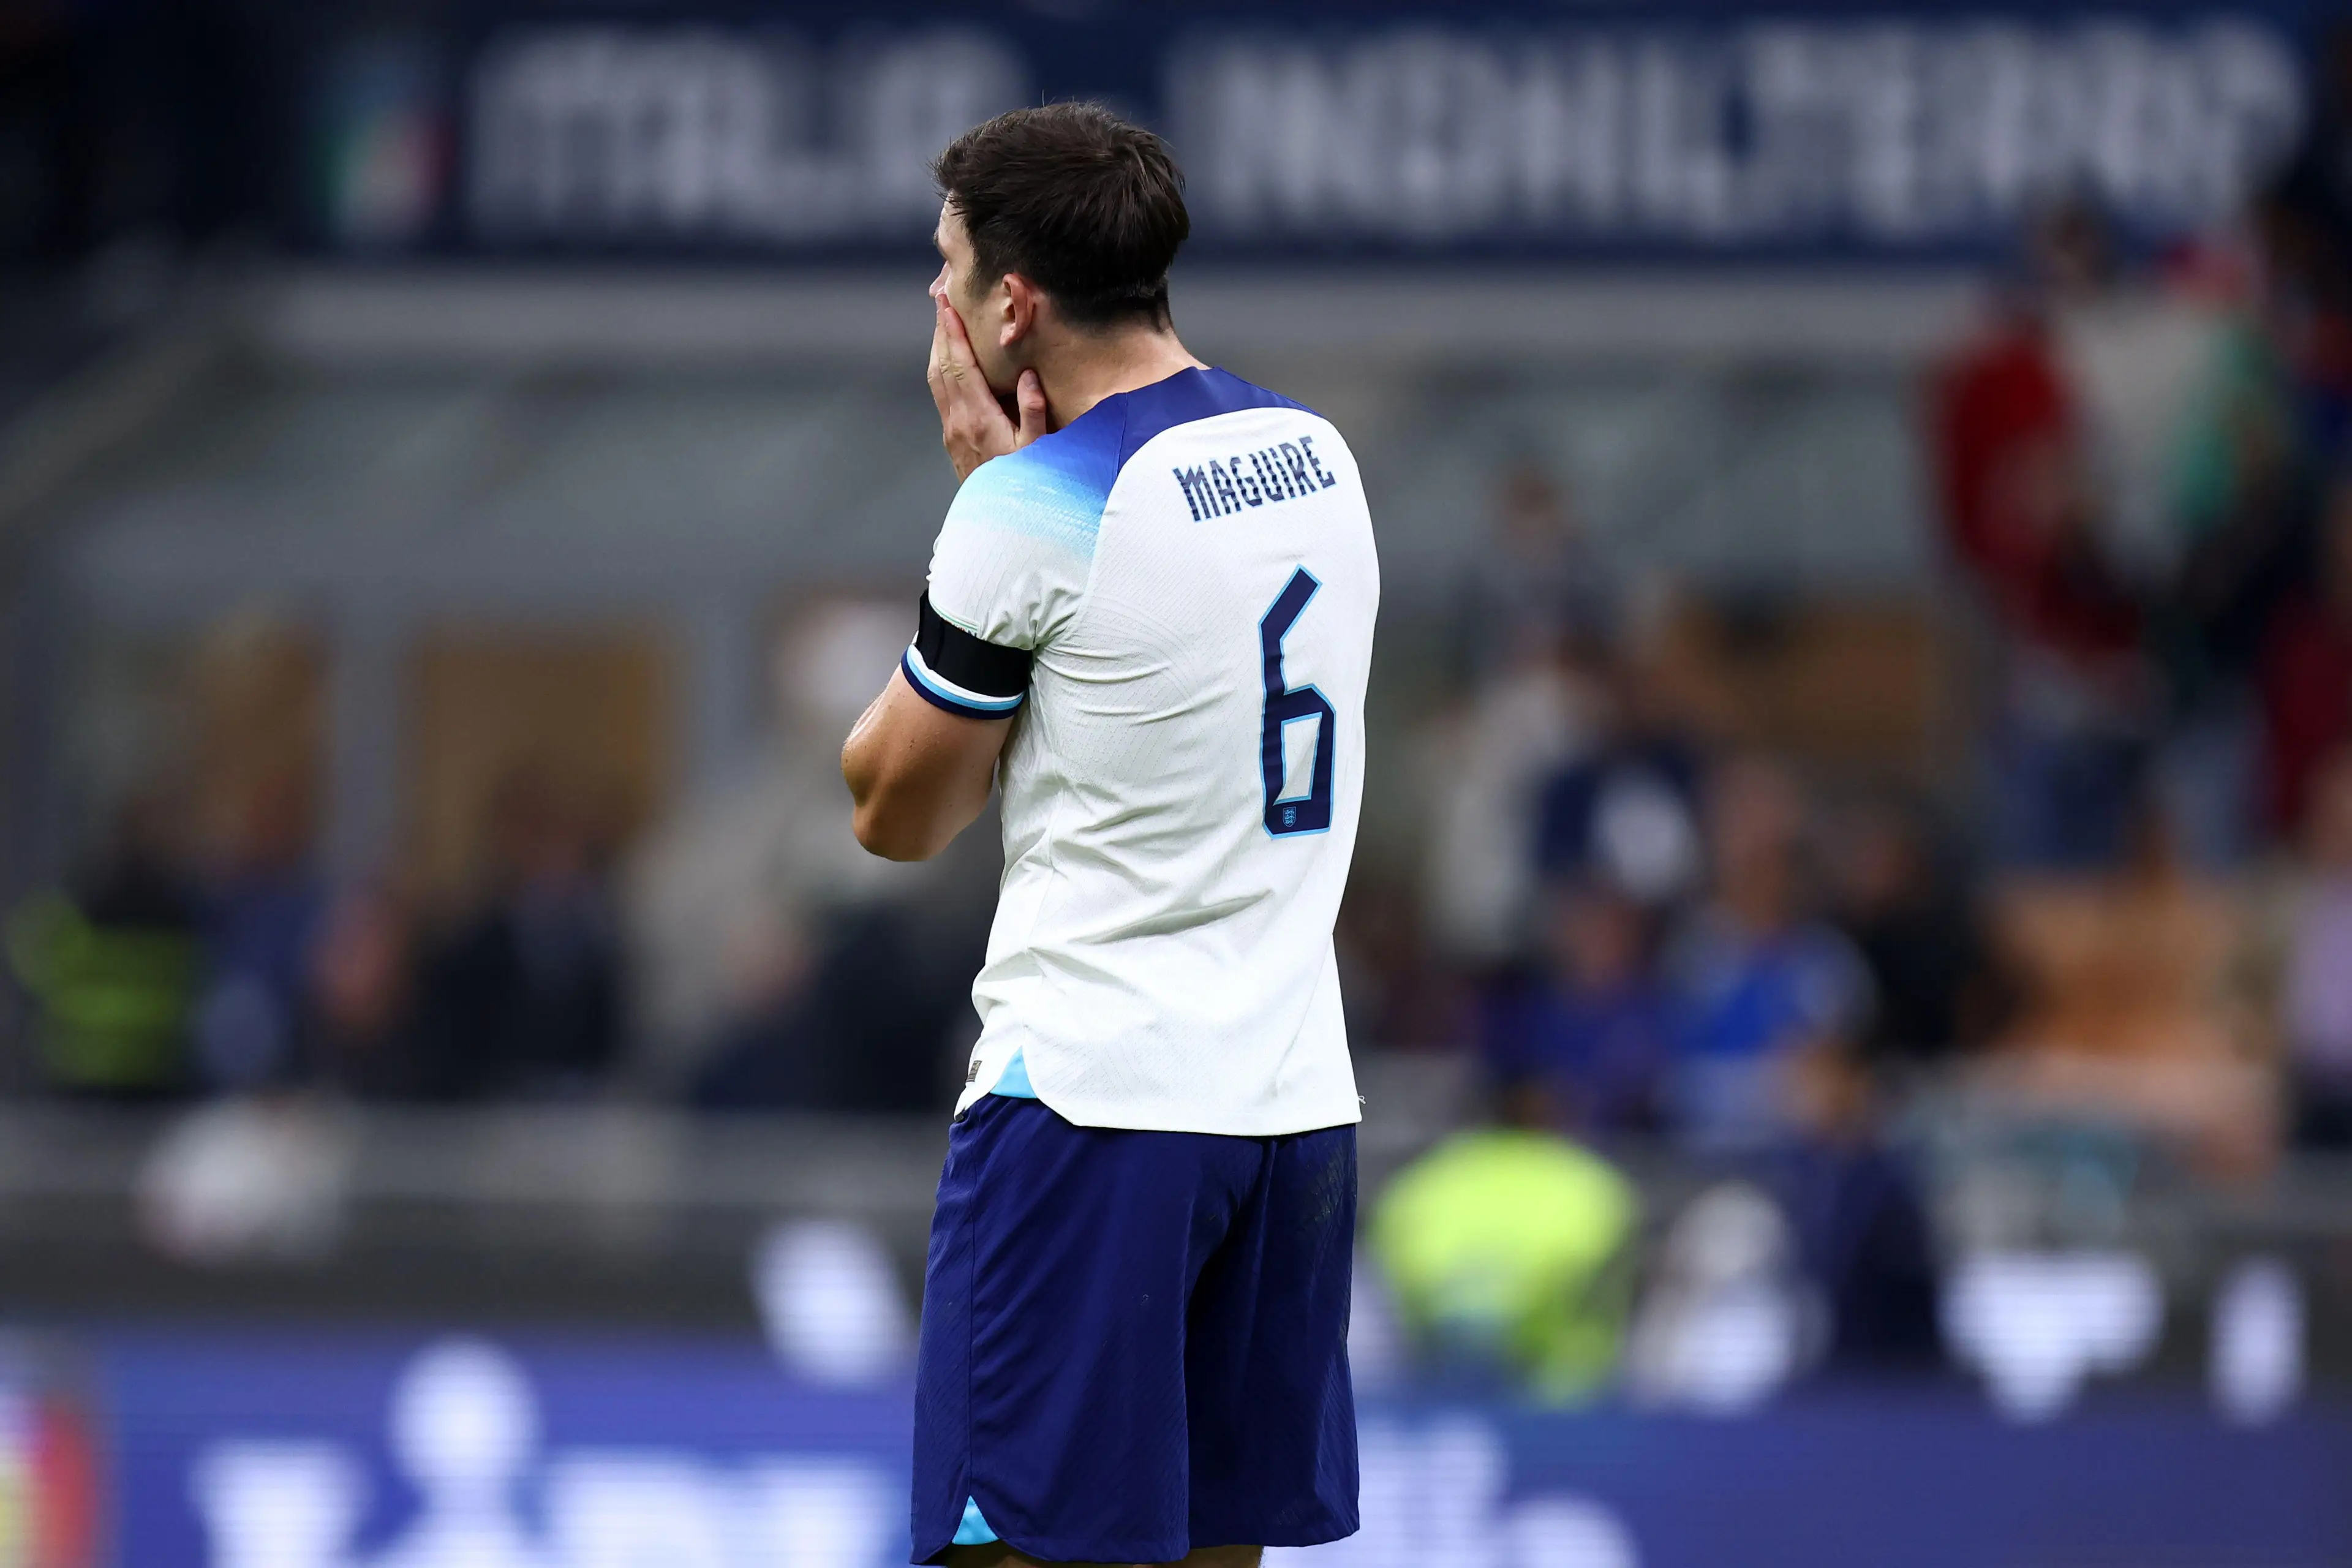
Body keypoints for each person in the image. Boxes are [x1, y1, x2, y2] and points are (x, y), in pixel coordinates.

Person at [840, 105, 1376, 1568]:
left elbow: (897, 810)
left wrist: (985, 496)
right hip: (1291, 1108)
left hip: (1091, 1108)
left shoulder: (1033, 507)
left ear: (1013, 304)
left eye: (947, 264)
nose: (936, 297)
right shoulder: (1314, 455)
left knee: (1011, 1546)